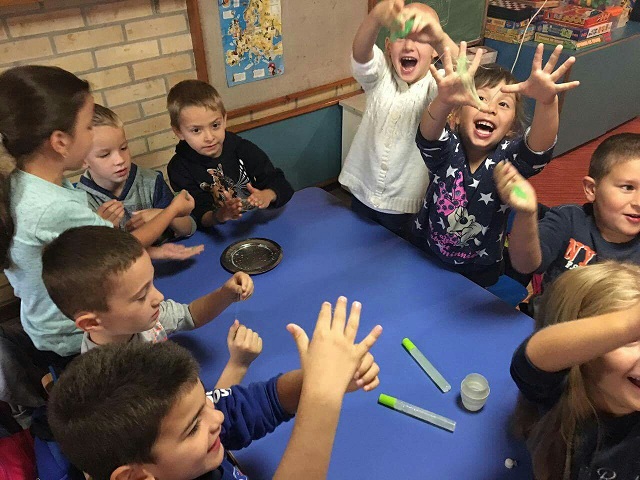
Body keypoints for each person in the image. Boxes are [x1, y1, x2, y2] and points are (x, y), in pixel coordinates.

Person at [0, 66, 198, 409]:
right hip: (71, 338)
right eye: (88, 126)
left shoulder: (29, 184)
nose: (92, 135)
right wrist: (172, 210)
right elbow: (124, 248)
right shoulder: (50, 206)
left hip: (43, 326)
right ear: (60, 141)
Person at [47, 296, 382, 480]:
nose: (216, 418)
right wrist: (322, 395)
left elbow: (258, 403)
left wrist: (321, 377)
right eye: (194, 427)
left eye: (205, 403)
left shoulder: (190, 422)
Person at [410, 43, 579, 287]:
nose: (490, 109)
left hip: (478, 269)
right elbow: (427, 135)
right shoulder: (448, 149)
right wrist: (443, 101)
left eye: (503, 104)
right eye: (480, 98)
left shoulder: (508, 158)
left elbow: (538, 149)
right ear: (456, 116)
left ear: (511, 128)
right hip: (426, 251)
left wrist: (547, 102)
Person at [42, 225, 257, 388]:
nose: (159, 297)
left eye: (153, 283)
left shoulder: (140, 319)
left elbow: (189, 315)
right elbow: (198, 423)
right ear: (91, 322)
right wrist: (237, 366)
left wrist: (225, 294)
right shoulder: (115, 385)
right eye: (141, 296)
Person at [338, 0, 459, 237]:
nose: (409, 46)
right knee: (354, 243)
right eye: (401, 37)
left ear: (435, 50)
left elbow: (462, 74)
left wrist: (439, 37)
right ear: (388, 46)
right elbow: (361, 54)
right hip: (362, 193)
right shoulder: (380, 75)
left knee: (396, 253)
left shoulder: (437, 85)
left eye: (422, 38)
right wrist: (375, 17)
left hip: (406, 205)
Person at [510, 261, 640, 480]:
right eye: (629, 339)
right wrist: (629, 324)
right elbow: (532, 359)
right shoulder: (559, 393)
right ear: (579, 352)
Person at [496, 132, 640, 288]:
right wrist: (526, 214)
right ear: (591, 189)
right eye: (628, 187)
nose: (638, 202)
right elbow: (524, 264)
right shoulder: (568, 219)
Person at [166, 80, 294, 229]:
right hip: (218, 233)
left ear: (224, 119)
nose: (209, 137)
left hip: (257, 223)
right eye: (196, 130)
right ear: (179, 132)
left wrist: (267, 195)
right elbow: (197, 217)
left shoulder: (243, 148)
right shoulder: (178, 168)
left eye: (215, 125)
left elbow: (281, 183)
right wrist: (221, 215)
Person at [77, 104, 197, 244]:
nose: (120, 160)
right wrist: (103, 231)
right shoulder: (79, 202)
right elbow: (90, 254)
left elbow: (189, 228)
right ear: (82, 160)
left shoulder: (151, 181)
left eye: (123, 148)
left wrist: (162, 215)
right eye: (105, 155)